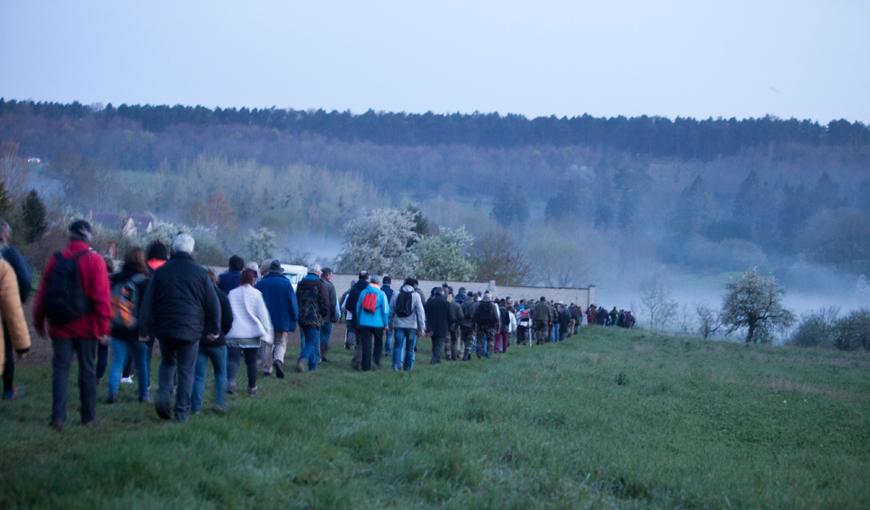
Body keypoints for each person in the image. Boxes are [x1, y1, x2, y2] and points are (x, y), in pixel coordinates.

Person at [33, 220, 112, 431]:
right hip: (87, 328)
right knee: (87, 370)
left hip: (60, 326)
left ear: (69, 236)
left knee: (60, 369)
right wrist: (104, 328)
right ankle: (88, 417)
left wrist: (39, 321)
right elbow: (102, 299)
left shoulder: (55, 260)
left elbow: (43, 293)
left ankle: (58, 418)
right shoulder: (95, 261)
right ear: (88, 237)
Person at [138, 233, 220, 423]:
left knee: (167, 363)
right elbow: (213, 304)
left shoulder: (161, 272)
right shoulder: (200, 273)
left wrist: (144, 329)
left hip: (165, 328)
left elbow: (147, 304)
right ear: (192, 251)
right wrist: (215, 329)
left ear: (173, 250)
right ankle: (181, 412)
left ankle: (163, 398)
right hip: (191, 330)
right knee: (186, 370)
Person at [105, 247, 151, 403]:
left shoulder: (116, 278)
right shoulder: (144, 280)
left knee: (118, 361)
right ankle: (143, 395)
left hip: (117, 327)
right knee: (141, 363)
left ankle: (113, 392)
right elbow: (146, 307)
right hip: (136, 329)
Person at [226, 268, 272, 396]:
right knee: (251, 362)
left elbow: (228, 312)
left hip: (234, 332)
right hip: (251, 333)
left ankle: (231, 381)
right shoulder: (256, 294)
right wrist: (267, 332)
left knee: (232, 360)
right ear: (253, 279)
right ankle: (252, 388)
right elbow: (263, 315)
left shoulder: (232, 293)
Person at [192, 270, 233, 413]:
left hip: (199, 341)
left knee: (198, 376)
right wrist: (221, 332)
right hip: (218, 341)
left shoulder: (196, 297)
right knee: (220, 373)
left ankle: (195, 407)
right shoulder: (222, 296)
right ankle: (219, 403)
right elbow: (228, 320)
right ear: (216, 280)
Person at [0, 220, 32, 400]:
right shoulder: (9, 255)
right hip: (4, 307)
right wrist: (21, 297)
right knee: (5, 347)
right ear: (5, 235)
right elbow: (26, 279)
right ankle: (8, 390)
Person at [256, 260, 298, 377]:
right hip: (282, 320)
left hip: (265, 321)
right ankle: (278, 360)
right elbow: (292, 302)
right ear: (280, 271)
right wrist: (295, 316)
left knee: (266, 345)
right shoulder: (286, 283)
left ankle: (267, 369)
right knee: (280, 342)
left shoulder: (261, 283)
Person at [295, 264, 330, 372]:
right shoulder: (319, 284)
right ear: (318, 272)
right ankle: (302, 358)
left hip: (302, 316)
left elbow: (296, 299)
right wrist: (323, 315)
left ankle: (312, 367)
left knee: (310, 340)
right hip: (314, 317)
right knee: (312, 341)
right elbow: (325, 302)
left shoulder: (301, 283)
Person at [389, 278, 426, 371]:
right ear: (413, 285)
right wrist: (422, 328)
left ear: (404, 284)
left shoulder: (396, 294)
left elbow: (391, 310)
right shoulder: (416, 295)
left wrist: (390, 323)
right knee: (410, 348)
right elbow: (420, 312)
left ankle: (396, 366)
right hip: (412, 326)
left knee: (397, 346)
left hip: (398, 325)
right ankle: (408, 368)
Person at [355, 275, 389, 371]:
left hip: (364, 322)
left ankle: (366, 367)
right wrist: (386, 324)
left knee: (366, 345)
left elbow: (358, 307)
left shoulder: (363, 292)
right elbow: (385, 310)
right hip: (378, 323)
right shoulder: (382, 294)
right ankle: (376, 363)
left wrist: (359, 319)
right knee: (378, 343)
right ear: (378, 283)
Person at [344, 271, 369, 370]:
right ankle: (360, 360)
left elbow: (348, 305)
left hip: (356, 318)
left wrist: (355, 312)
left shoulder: (354, 289)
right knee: (366, 341)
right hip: (367, 318)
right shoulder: (369, 289)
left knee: (359, 340)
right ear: (367, 277)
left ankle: (358, 358)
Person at [424, 287, 450, 364]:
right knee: (439, 344)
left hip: (431, 326)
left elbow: (426, 313)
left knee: (434, 343)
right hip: (442, 326)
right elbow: (450, 313)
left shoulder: (429, 302)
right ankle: (435, 360)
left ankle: (436, 359)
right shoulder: (446, 302)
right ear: (442, 293)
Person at [319, 267, 339, 362]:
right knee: (326, 336)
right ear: (327, 275)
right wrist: (334, 316)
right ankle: (322, 354)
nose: (331, 277)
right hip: (327, 316)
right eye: (331, 275)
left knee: (318, 335)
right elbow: (333, 303)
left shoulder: (316, 284)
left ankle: (317, 354)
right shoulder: (330, 286)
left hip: (317, 315)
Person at [472, 291, 499, 357]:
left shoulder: (477, 304)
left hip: (480, 325)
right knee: (490, 340)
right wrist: (497, 326)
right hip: (490, 326)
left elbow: (474, 315)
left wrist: (474, 325)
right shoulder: (493, 305)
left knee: (479, 340)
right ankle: (489, 353)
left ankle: (479, 354)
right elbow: (496, 317)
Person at [460, 292, 477, 360]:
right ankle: (466, 355)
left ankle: (467, 354)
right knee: (469, 341)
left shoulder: (462, 305)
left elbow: (460, 315)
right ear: (473, 297)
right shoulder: (475, 305)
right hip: (471, 325)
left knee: (464, 340)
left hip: (463, 325)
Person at [446, 292, 463, 360]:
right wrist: (458, 324)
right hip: (455, 325)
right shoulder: (457, 305)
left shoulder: (445, 305)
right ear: (453, 297)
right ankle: (454, 356)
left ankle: (448, 356)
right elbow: (461, 316)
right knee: (454, 341)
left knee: (447, 341)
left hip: (447, 325)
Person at [380, 275, 394, 355]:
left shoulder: (380, 291)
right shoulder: (392, 292)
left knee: (379, 334)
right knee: (389, 333)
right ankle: (387, 350)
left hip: (380, 315)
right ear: (390, 282)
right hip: (389, 314)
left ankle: (379, 349)